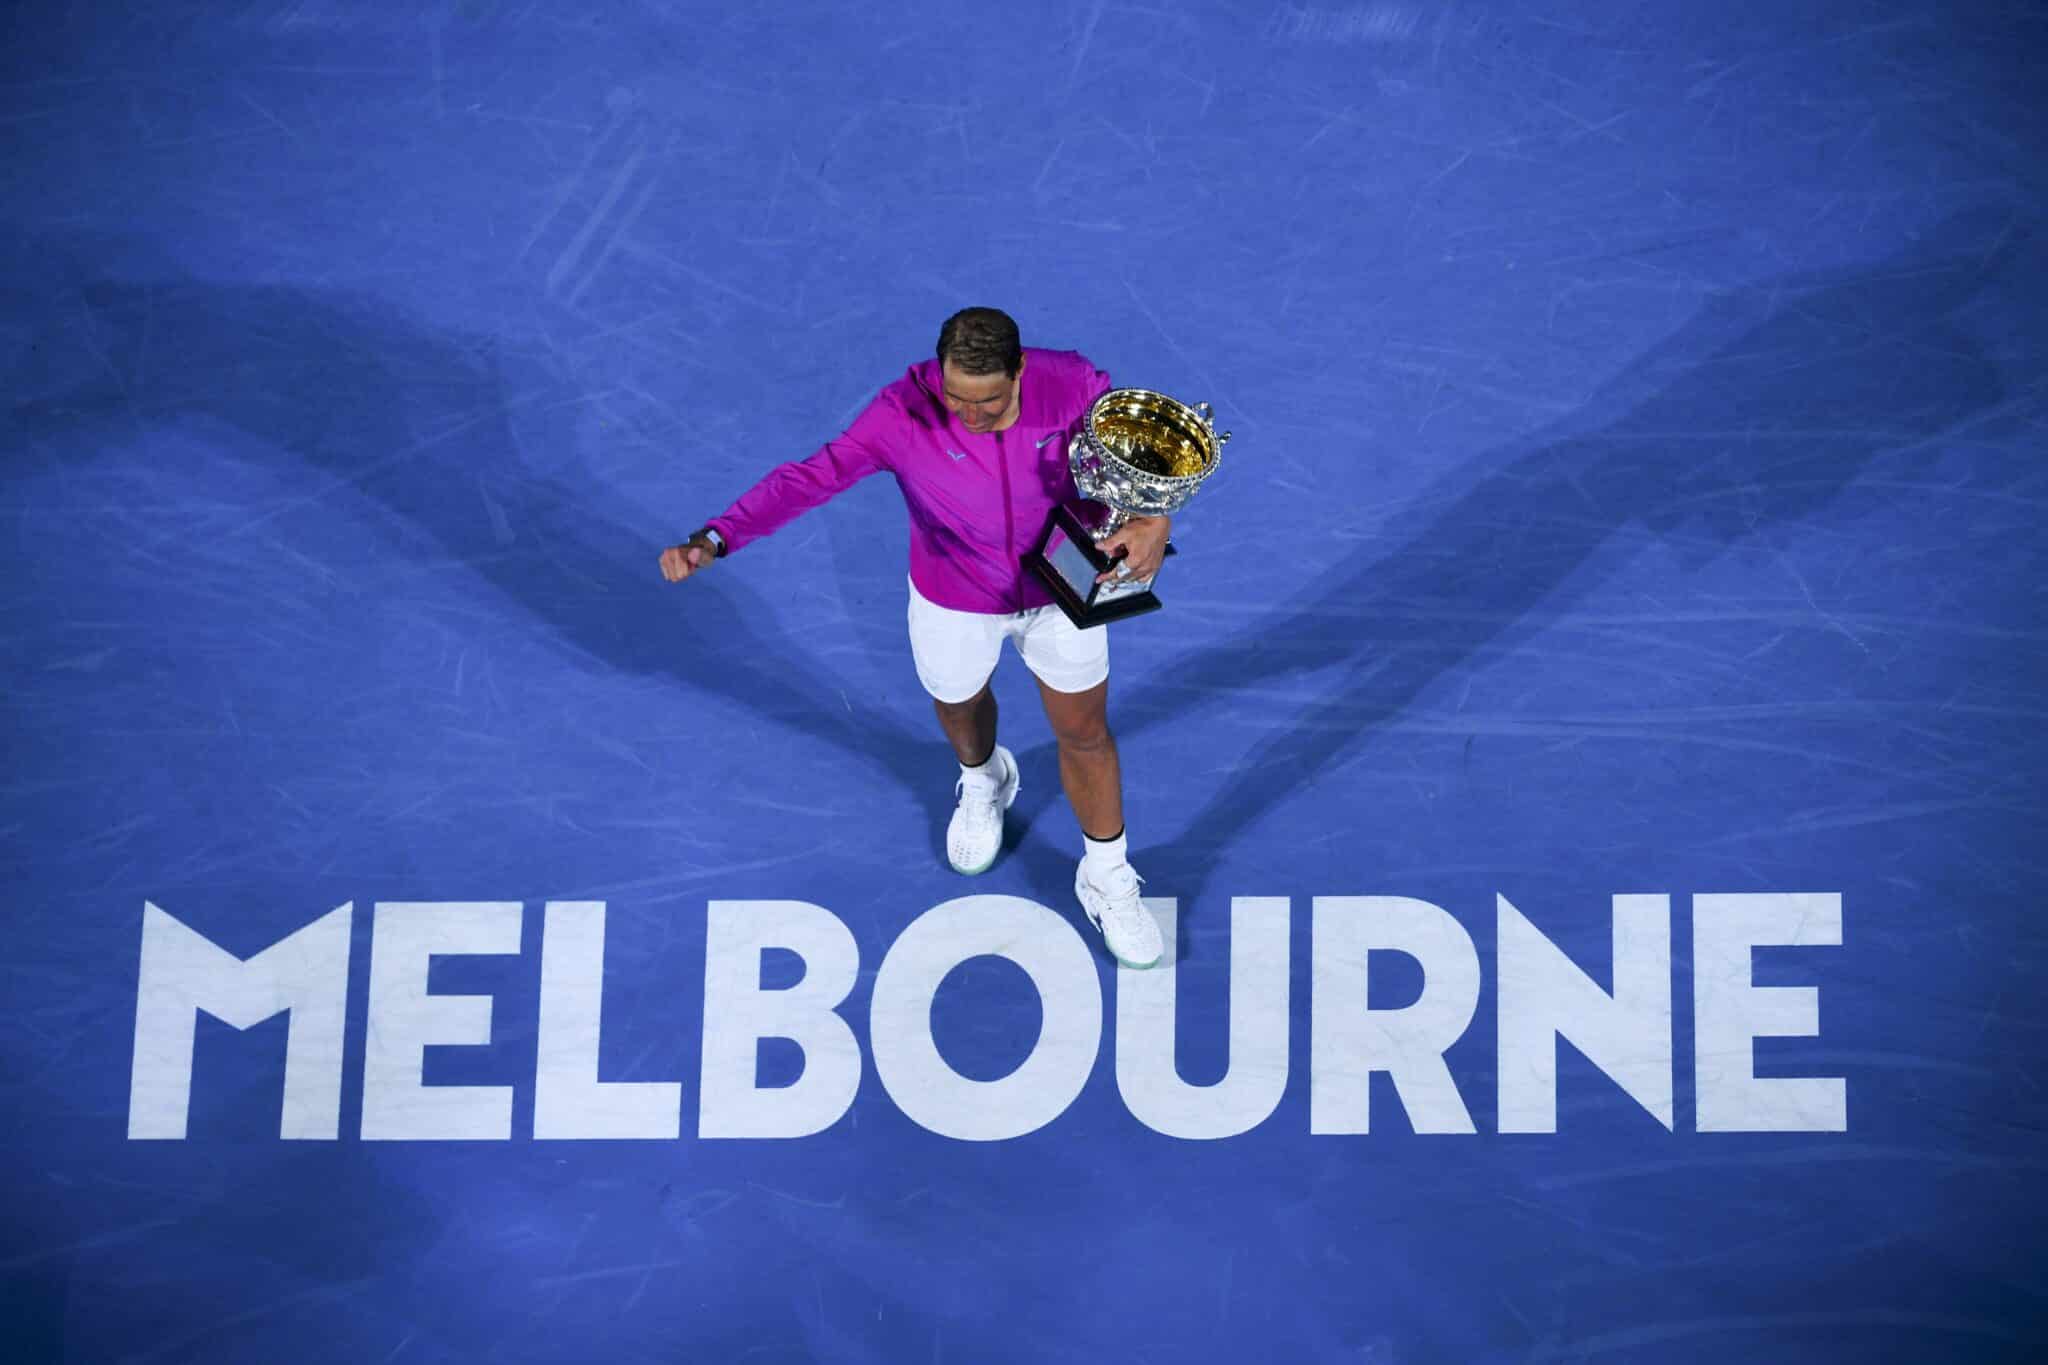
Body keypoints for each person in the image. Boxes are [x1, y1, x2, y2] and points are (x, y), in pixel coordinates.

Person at [658, 307, 1168, 969]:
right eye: (955, 396)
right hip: (954, 593)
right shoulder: (902, 413)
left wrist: (1150, 516)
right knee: (958, 703)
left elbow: (1137, 451)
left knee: (1085, 729)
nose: (968, 415)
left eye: (987, 401)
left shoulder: (1072, 383)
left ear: (1019, 371)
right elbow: (808, 478)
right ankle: (985, 778)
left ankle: (1106, 874)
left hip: (1067, 580)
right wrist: (716, 538)